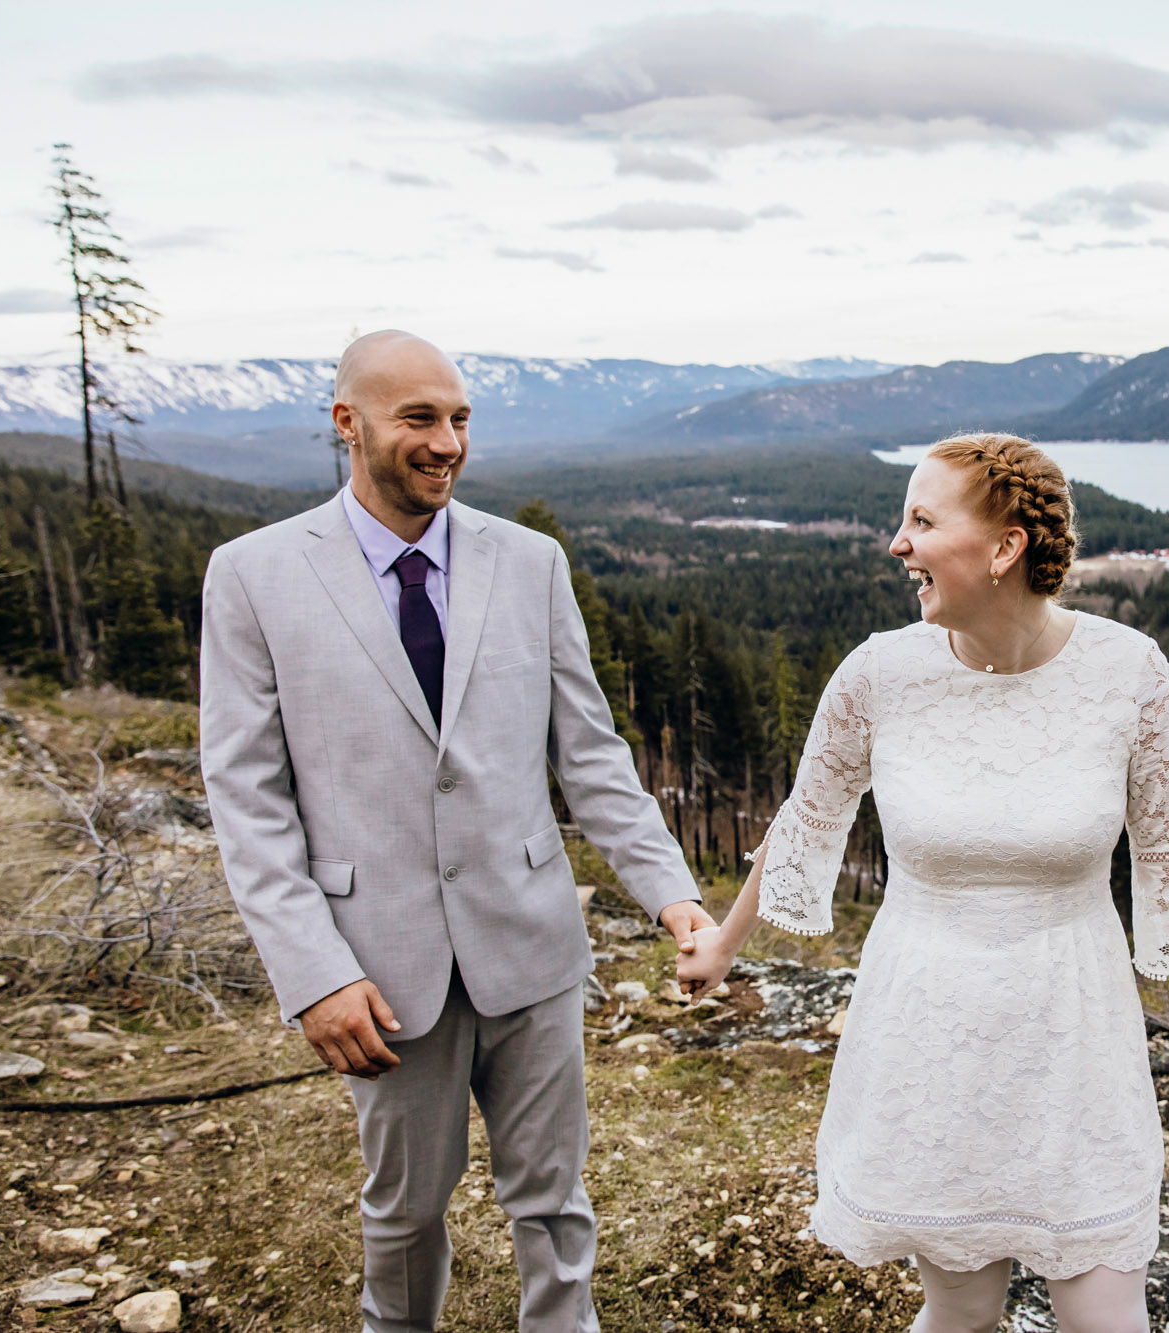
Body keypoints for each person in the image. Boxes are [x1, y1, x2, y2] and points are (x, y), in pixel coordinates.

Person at [676, 433, 1169, 1333]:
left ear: (1004, 549)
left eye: (919, 520)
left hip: (1074, 1034)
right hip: (927, 1029)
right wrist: (722, 943)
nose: (896, 544)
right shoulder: (879, 672)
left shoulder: (1131, 674)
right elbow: (807, 819)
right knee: (960, 1312)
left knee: (1107, 1314)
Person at [199, 330, 714, 1333]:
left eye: (460, 418)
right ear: (348, 423)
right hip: (376, 974)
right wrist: (312, 972)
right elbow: (247, 797)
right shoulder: (252, 575)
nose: (446, 443)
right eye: (419, 419)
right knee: (401, 1217)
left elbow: (592, 754)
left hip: (532, 947)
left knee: (555, 1207)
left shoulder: (530, 562)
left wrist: (673, 894)